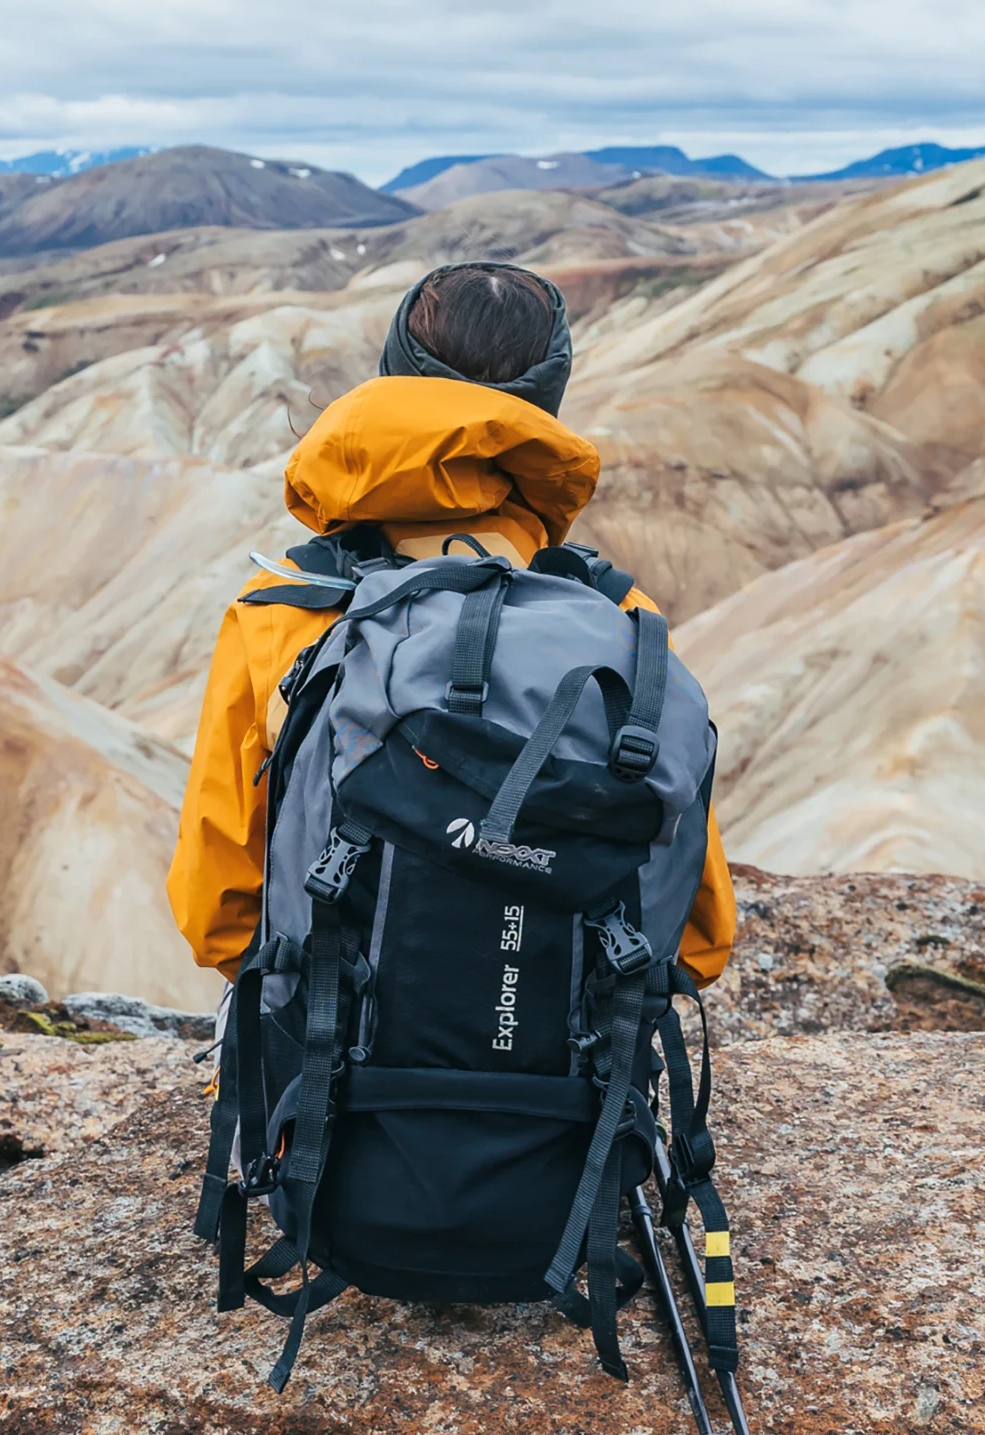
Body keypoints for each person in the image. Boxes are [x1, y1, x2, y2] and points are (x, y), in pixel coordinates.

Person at [166, 260, 736, 985]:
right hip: (577, 1083)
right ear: (543, 408)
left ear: (393, 377)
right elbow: (698, 933)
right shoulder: (621, 619)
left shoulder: (284, 610)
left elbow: (215, 909)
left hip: (320, 1076)